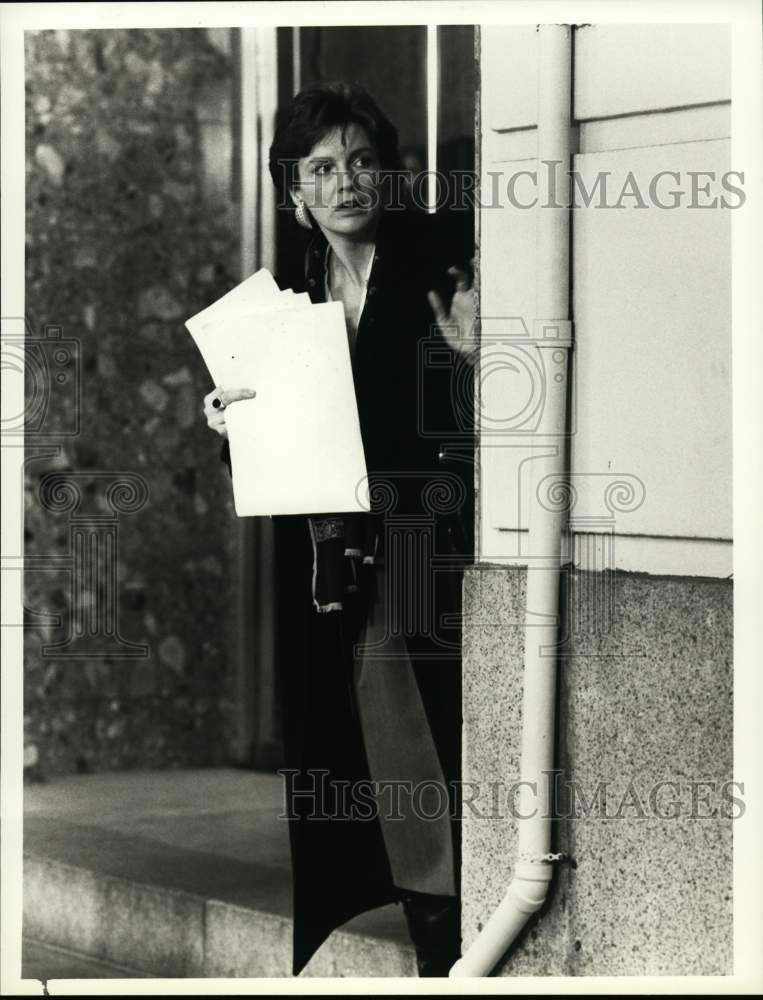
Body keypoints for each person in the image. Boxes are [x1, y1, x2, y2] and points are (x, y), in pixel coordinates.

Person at [202, 81, 476, 977]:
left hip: (440, 543)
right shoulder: (285, 293)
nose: (345, 181)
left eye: (362, 161)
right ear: (294, 192)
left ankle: (450, 916)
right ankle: (429, 912)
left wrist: (480, 357)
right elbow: (279, 449)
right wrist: (230, 424)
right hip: (335, 555)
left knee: (418, 725)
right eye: (321, 167)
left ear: (388, 175)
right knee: (362, 737)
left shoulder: (450, 259)